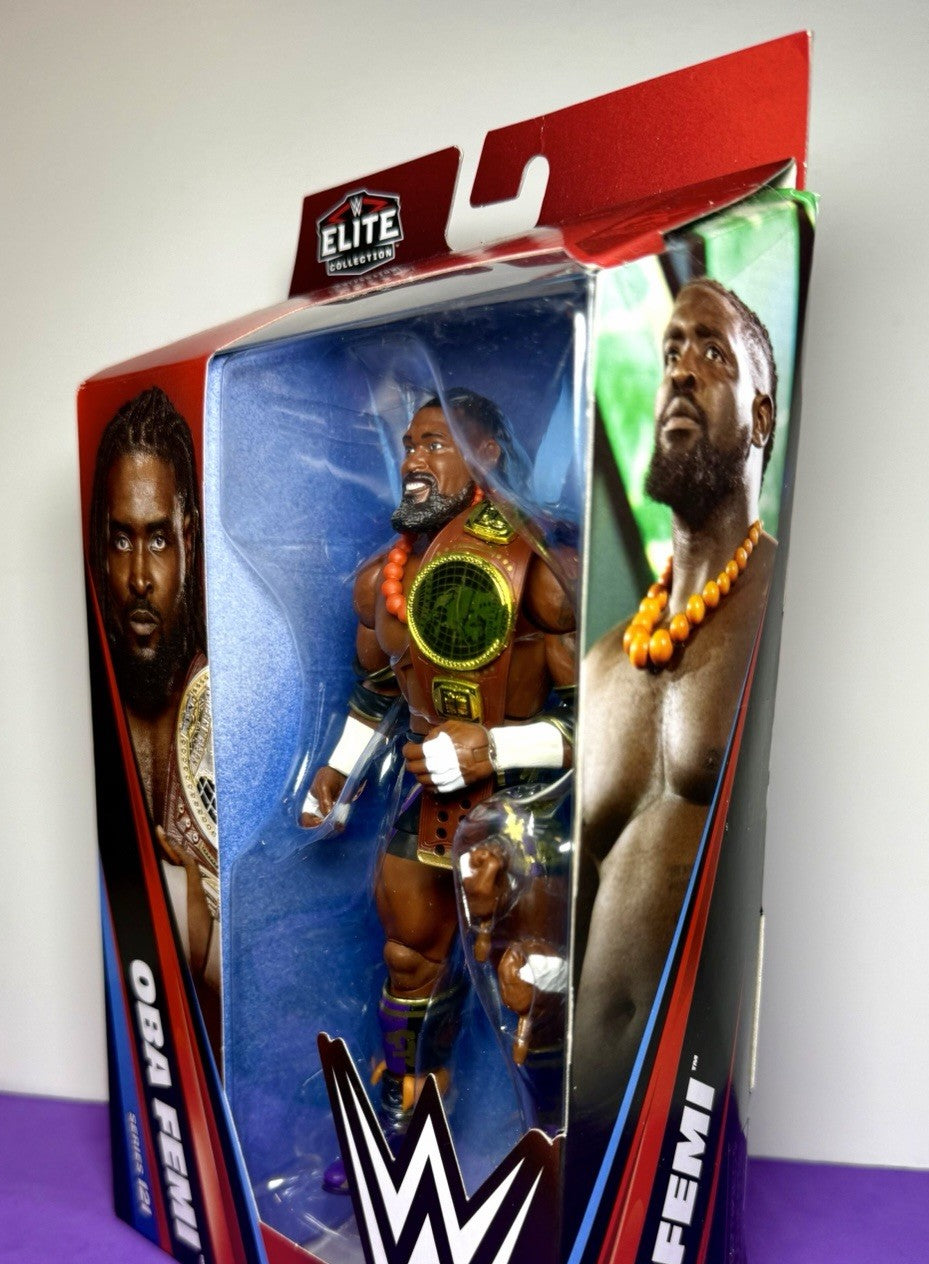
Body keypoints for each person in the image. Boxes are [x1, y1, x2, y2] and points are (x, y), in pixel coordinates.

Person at [300, 390, 576, 1182]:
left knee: (531, 978)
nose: (414, 460)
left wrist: (495, 748)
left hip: (525, 808)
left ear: (485, 454)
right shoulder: (382, 582)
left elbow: (598, 721)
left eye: (435, 443)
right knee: (410, 957)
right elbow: (381, 692)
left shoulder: (540, 573)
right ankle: (404, 1119)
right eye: (410, 444)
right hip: (426, 802)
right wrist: (338, 770)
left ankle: (560, 1141)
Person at [571, 278, 778, 1156]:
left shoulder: (784, 610)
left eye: (712, 352)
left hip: (699, 1144)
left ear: (762, 418)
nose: (682, 371)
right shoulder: (603, 663)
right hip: (584, 1132)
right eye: (670, 352)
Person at [88, 387, 221, 1043]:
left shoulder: (228, 711)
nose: (139, 578)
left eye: (158, 540)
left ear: (188, 538)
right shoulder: (96, 707)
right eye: (122, 540)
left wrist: (201, 934)